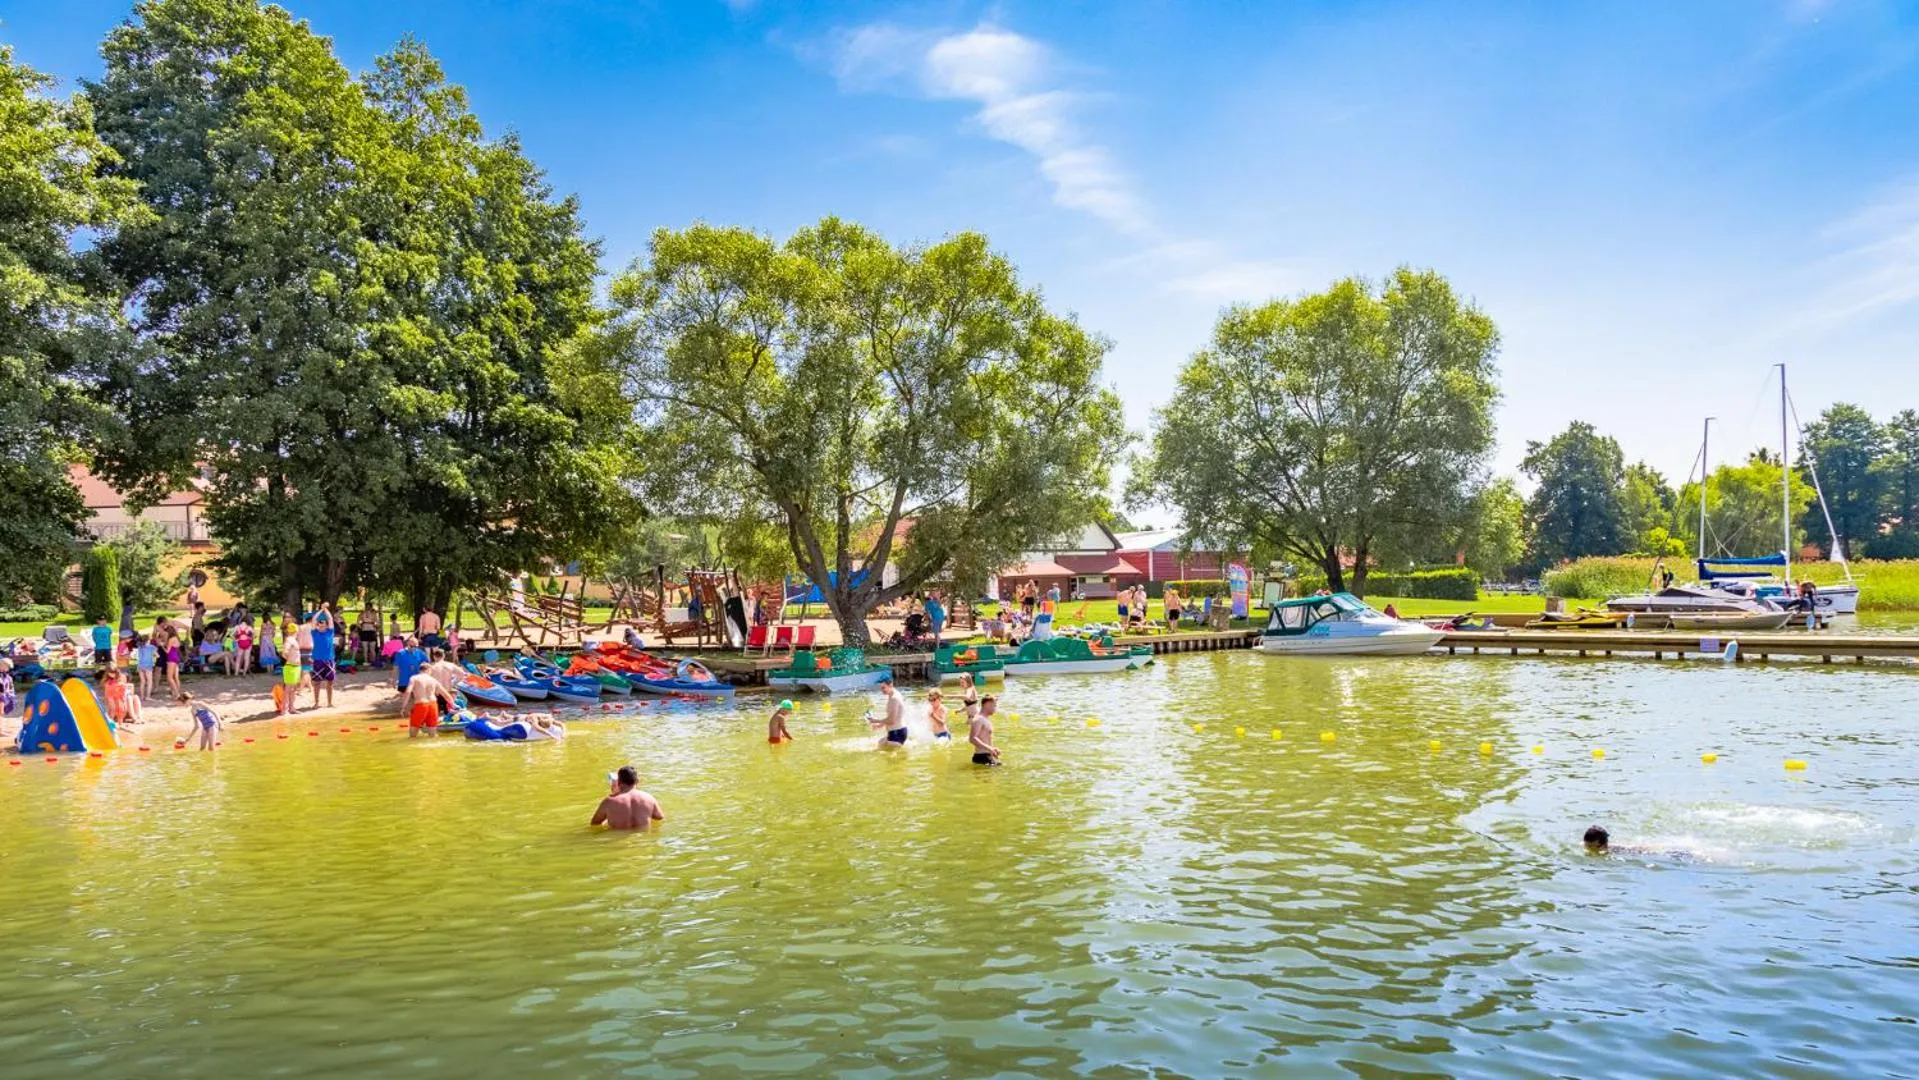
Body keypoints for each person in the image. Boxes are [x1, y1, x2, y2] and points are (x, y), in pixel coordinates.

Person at [592, 765, 666, 830]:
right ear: (637, 781)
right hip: (640, 842)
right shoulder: (649, 798)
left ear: (618, 782)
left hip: (618, 843)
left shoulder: (609, 802)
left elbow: (595, 824)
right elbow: (660, 818)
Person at [402, 667, 456, 738]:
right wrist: (454, 705)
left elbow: (408, 691)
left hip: (421, 704)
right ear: (429, 670)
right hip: (433, 705)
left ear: (420, 670)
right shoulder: (433, 680)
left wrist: (403, 706)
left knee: (413, 735)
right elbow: (446, 695)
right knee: (432, 735)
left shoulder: (414, 678)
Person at [308, 605, 338, 709]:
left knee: (330, 683)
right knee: (317, 683)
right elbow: (313, 619)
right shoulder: (314, 632)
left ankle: (330, 703)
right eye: (319, 623)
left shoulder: (330, 632)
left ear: (326, 624)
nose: (320, 624)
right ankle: (316, 703)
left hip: (329, 660)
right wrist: (321, 609)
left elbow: (330, 618)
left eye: (322, 622)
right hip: (317, 661)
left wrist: (325, 609)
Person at [867, 680, 908, 749]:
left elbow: (892, 720)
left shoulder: (894, 698)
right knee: (880, 743)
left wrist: (875, 720)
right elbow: (892, 716)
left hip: (897, 733)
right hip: (895, 732)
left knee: (887, 757)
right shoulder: (893, 694)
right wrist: (880, 725)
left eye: (883, 688)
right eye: (881, 688)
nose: (882, 690)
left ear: (891, 685)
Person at [969, 694, 1000, 766]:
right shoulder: (979, 719)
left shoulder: (985, 719)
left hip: (987, 755)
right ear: (987, 705)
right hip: (982, 757)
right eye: (994, 706)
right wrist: (989, 748)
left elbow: (985, 739)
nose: (995, 709)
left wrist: (992, 749)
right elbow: (972, 738)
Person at [278, 627, 304, 716]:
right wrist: (289, 660)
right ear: (295, 631)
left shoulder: (293, 640)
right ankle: (284, 710)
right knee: (288, 689)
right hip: (291, 667)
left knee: (293, 689)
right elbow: (284, 652)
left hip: (296, 667)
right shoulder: (289, 640)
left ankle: (291, 708)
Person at [135, 634, 158, 699]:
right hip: (148, 666)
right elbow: (157, 655)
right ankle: (148, 696)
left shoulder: (140, 646)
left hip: (140, 665)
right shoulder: (152, 647)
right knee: (149, 681)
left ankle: (142, 696)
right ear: (148, 640)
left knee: (142, 681)